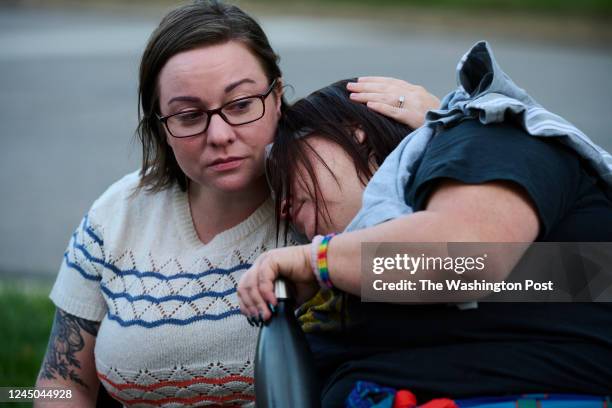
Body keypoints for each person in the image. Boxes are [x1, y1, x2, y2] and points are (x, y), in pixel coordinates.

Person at [34, 1, 438, 406]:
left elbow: (475, 273)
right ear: (161, 127)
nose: (220, 134)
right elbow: (62, 383)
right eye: (189, 115)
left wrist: (449, 129)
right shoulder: (117, 215)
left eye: (241, 104)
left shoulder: (324, 200)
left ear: (277, 96)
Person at [237, 64, 612, 405]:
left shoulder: (490, 135)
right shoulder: (343, 285)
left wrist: (317, 260)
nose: (282, 205)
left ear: (355, 133)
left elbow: (466, 259)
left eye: (286, 169)